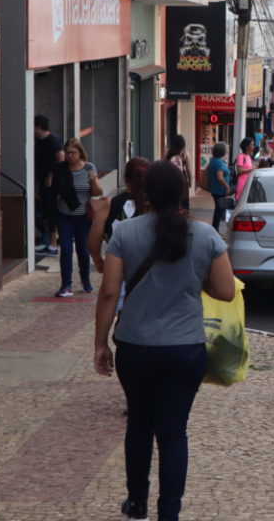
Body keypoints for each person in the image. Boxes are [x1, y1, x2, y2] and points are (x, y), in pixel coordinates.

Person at [93, 160, 234, 521]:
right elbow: (226, 291)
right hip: (185, 349)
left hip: (135, 347)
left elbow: (109, 293)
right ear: (183, 192)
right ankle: (168, 513)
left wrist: (100, 343)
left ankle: (136, 504)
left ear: (145, 194)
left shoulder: (125, 233)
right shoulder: (206, 236)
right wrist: (192, 279)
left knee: (139, 422)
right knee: (173, 433)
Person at [52, 138, 103, 297]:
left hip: (83, 216)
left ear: (80, 152)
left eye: (73, 152)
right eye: (67, 153)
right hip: (64, 215)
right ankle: (66, 285)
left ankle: (86, 281)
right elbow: (54, 191)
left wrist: (94, 181)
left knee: (83, 249)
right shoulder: (60, 169)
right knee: (66, 249)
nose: (70, 156)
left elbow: (97, 193)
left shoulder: (89, 168)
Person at [90, 157, 150, 276]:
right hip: (149, 271)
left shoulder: (110, 204)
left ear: (125, 178)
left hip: (118, 270)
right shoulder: (155, 204)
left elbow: (94, 239)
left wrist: (98, 260)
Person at [34, 115, 64, 255]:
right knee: (42, 213)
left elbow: (61, 159)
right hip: (41, 183)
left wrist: (50, 176)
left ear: (38, 127)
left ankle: (53, 245)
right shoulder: (37, 141)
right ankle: (46, 241)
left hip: (52, 184)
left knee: (51, 213)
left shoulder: (54, 140)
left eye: (33, 126)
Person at [206, 143, 231, 232]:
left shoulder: (214, 161)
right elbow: (219, 177)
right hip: (220, 190)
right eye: (225, 149)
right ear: (222, 151)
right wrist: (227, 187)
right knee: (219, 211)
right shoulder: (218, 162)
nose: (227, 150)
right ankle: (215, 230)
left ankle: (215, 230)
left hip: (216, 189)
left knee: (218, 211)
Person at [165, 134, 192, 209]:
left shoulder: (168, 152)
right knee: (183, 197)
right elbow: (188, 169)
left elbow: (165, 165)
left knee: (172, 197)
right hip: (181, 177)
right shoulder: (185, 153)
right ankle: (183, 214)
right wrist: (190, 180)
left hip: (170, 177)